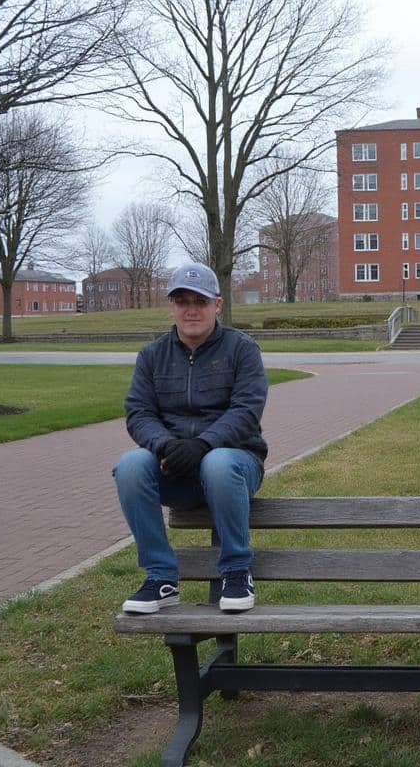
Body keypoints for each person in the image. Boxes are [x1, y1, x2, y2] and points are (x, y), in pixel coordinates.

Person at [113, 263, 268, 615]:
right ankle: (161, 578)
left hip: (235, 467)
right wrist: (165, 445)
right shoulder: (152, 355)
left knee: (217, 462)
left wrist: (203, 445)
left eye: (199, 300)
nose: (191, 309)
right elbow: (139, 413)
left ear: (217, 304)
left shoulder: (242, 349)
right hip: (174, 469)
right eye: (181, 300)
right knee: (130, 465)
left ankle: (236, 571)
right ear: (171, 307)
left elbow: (246, 411)